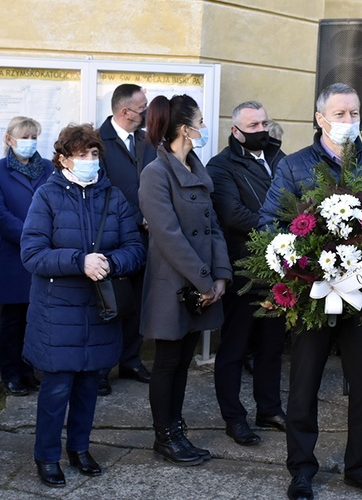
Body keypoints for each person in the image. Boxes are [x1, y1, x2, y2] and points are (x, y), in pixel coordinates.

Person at [259, 83, 362, 500]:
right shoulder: (295, 165)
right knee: (303, 386)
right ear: (320, 118)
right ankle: (301, 469)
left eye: (354, 114)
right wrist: (305, 258)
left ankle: (361, 468)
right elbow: (270, 222)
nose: (348, 122)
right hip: (313, 292)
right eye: (340, 115)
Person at [20, 123, 144, 487]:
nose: (89, 160)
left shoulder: (113, 196)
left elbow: (134, 248)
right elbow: (32, 253)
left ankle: (79, 448)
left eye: (93, 154)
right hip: (59, 312)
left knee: (90, 385)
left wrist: (111, 262)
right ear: (63, 159)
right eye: (81, 155)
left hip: (100, 309)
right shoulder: (47, 196)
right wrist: (79, 261)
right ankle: (46, 456)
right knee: (56, 389)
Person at [139, 94, 233, 466]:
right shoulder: (156, 173)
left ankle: (176, 429)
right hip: (173, 285)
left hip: (202, 285)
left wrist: (221, 276)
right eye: (201, 122)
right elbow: (168, 235)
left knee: (183, 362)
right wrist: (205, 279)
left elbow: (213, 229)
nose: (204, 129)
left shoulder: (196, 168)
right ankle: (164, 436)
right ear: (185, 129)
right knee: (167, 362)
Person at [207, 100, 287, 446]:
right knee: (235, 346)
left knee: (272, 345)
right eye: (253, 126)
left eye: (264, 124)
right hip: (243, 266)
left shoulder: (279, 159)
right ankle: (234, 416)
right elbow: (233, 215)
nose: (260, 131)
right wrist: (285, 229)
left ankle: (268, 408)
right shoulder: (221, 166)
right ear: (235, 131)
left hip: (281, 268)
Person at [97, 83, 157, 395]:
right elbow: (102, 189)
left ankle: (130, 359)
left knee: (137, 301)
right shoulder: (99, 142)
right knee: (112, 303)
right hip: (112, 239)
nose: (147, 112)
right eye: (143, 107)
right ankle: (102, 367)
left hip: (146, 238)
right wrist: (137, 217)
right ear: (125, 111)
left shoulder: (148, 141)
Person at [0, 116, 52, 396]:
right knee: (12, 320)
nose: (30, 142)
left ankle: (29, 369)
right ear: (9, 140)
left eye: (34, 137)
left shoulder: (49, 168)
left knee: (36, 318)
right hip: (14, 257)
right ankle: (11, 373)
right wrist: (31, 236)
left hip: (44, 257)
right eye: (25, 137)